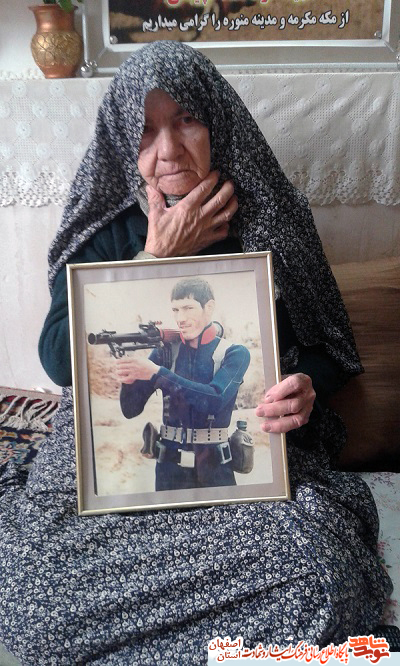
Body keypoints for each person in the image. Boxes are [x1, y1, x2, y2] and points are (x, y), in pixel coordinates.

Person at [0, 41, 392, 665]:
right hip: (116, 472)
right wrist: (155, 258)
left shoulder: (270, 218)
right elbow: (57, 358)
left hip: (233, 473)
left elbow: (325, 346)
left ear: (217, 123)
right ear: (123, 140)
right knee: (26, 599)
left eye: (185, 119)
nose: (168, 150)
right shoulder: (110, 229)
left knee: (316, 564)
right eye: (146, 130)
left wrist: (305, 386)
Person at [117, 276, 250, 491]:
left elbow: (214, 400)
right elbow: (130, 410)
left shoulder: (234, 353)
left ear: (209, 307)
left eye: (188, 308)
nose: (181, 318)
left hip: (215, 469)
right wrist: (129, 378)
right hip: (168, 471)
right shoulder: (165, 353)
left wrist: (158, 374)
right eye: (175, 310)